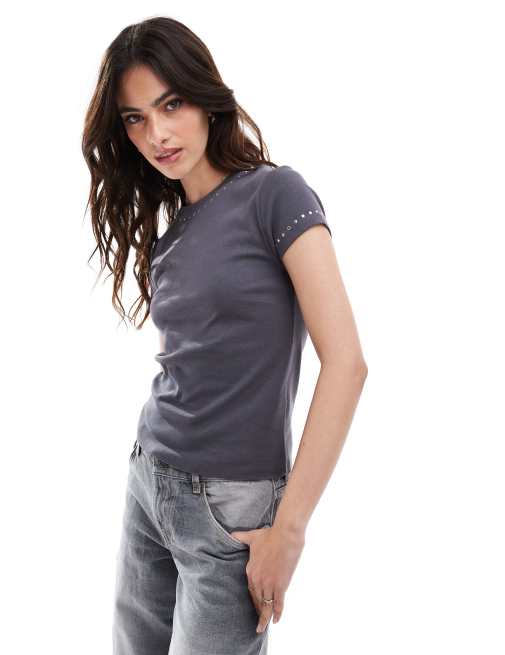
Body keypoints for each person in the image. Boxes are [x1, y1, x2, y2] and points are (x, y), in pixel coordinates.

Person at [82, 15, 368, 655]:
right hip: (149, 481)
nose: (157, 134)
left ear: (206, 99)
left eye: (171, 105)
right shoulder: (172, 233)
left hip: (232, 510)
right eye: (135, 119)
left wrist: (288, 530)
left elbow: (347, 363)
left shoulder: (276, 196)